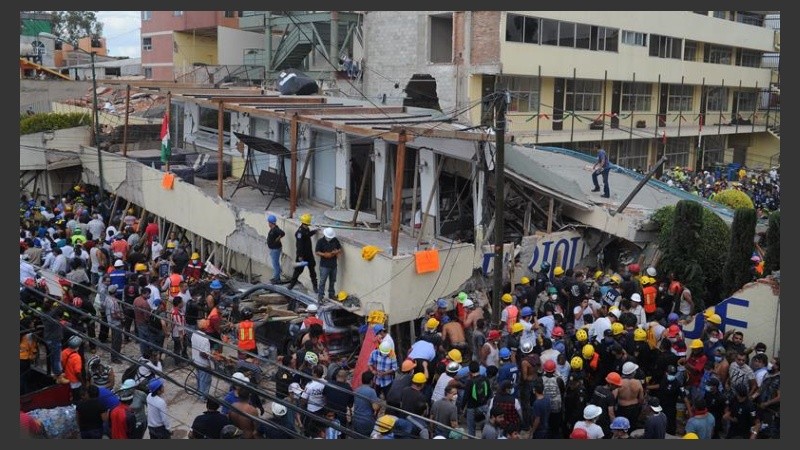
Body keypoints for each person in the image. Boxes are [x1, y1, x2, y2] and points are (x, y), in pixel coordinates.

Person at [286, 213, 319, 304]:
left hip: (309, 255)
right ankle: (291, 285)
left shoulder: (306, 229)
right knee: (298, 271)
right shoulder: (300, 233)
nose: (307, 225)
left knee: (312, 271)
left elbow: (308, 234)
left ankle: (315, 287)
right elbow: (299, 245)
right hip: (302, 256)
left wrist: (314, 231)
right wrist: (300, 256)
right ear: (304, 223)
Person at [266, 214, 285, 283]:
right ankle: (276, 277)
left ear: (271, 223)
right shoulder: (272, 229)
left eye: (268, 222)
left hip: (275, 249)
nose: (268, 223)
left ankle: (276, 279)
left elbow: (283, 233)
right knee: (275, 263)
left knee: (275, 264)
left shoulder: (276, 229)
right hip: (273, 249)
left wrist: (278, 238)